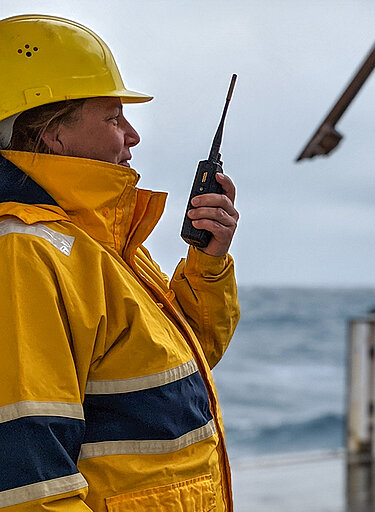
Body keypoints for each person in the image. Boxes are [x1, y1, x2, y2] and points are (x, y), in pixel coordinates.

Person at [0, 15, 240, 511]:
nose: (131, 136)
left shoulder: (98, 240)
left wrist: (207, 261)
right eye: (112, 118)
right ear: (50, 133)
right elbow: (29, 480)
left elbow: (182, 369)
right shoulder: (25, 252)